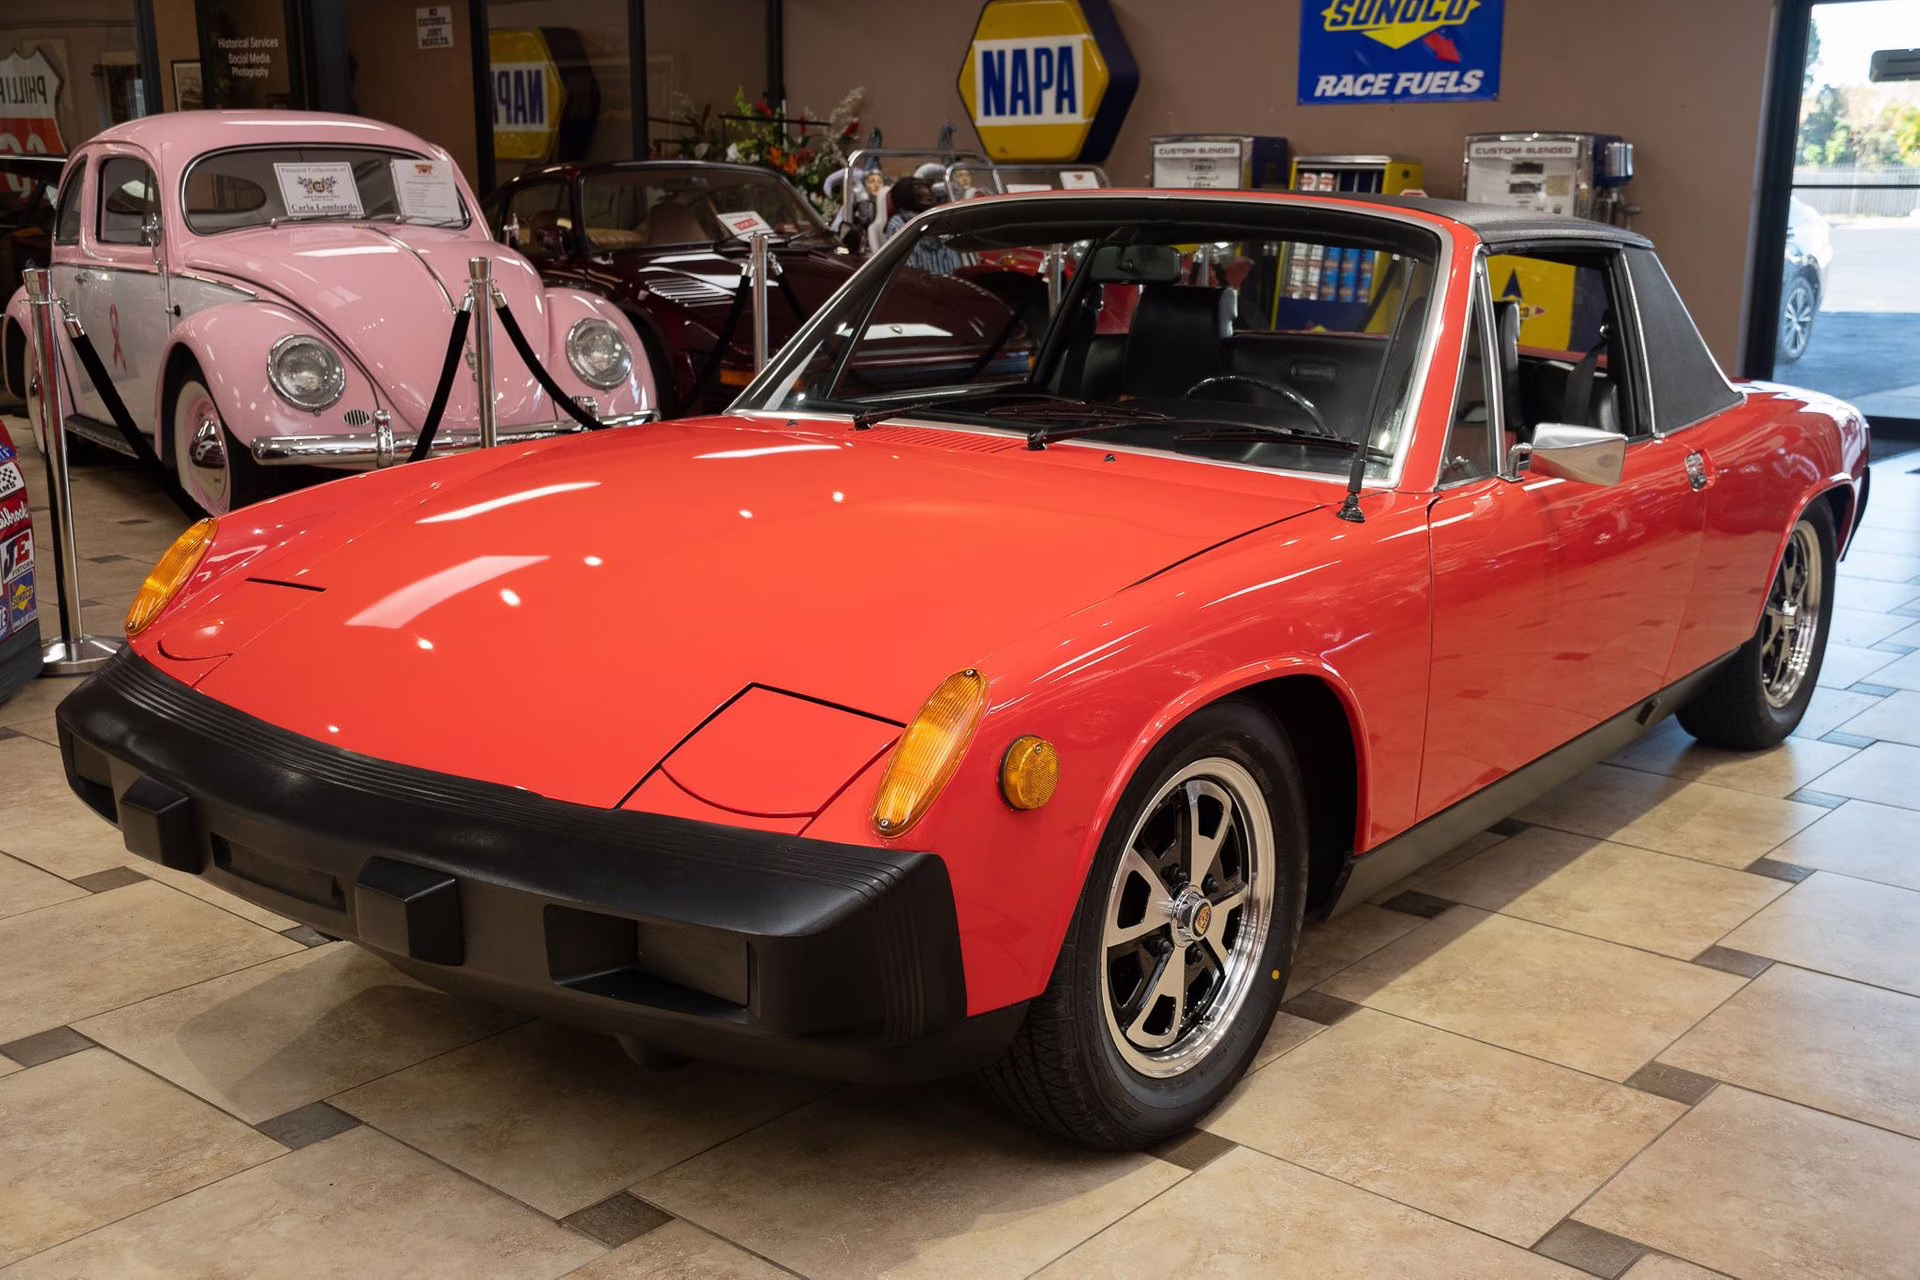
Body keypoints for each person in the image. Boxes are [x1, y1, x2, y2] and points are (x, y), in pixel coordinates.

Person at [884, 177, 960, 274]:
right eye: (918, 188)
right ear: (904, 194)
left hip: (952, 282)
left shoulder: (938, 218)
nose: (926, 192)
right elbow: (906, 271)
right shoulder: (898, 224)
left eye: (926, 187)